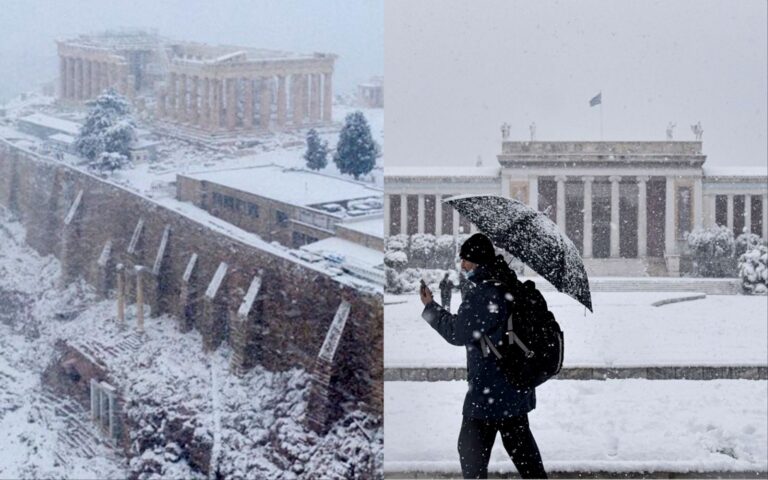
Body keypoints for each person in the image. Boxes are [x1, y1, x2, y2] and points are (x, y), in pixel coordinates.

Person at [419, 233, 547, 479]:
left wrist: (430, 307)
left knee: (470, 454)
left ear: (476, 261)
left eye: (465, 259)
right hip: (516, 386)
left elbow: (457, 333)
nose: (462, 265)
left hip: (489, 391)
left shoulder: (484, 294)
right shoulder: (511, 285)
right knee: (526, 459)